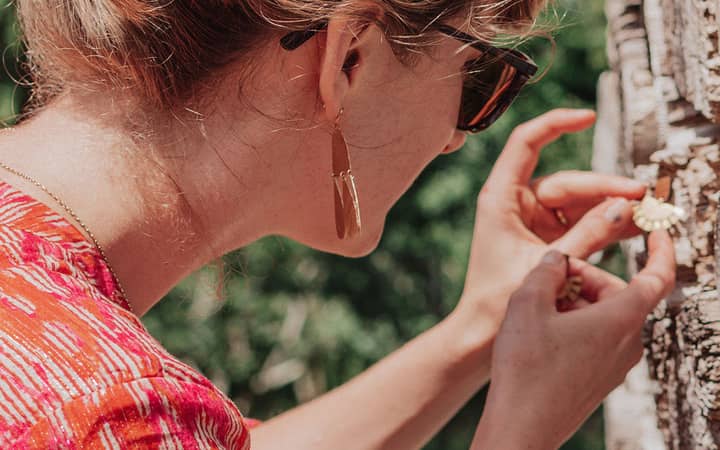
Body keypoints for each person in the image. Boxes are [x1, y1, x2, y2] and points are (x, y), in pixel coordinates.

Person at [0, 0, 676, 448]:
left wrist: (482, 327)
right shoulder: (105, 406)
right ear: (351, 55)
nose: (456, 140)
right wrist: (521, 434)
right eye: (480, 79)